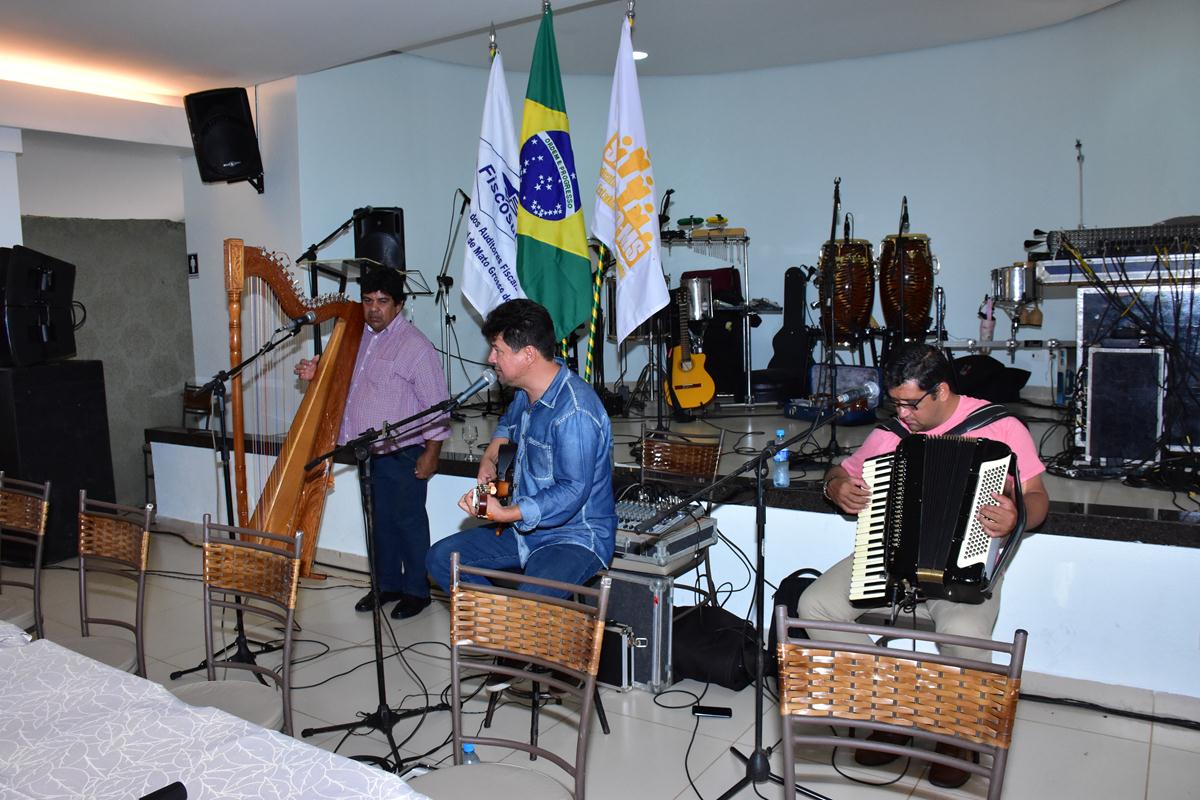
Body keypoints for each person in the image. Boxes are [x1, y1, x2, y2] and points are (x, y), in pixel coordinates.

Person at [799, 343, 1049, 789]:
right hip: (889, 556)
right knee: (814, 605)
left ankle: (959, 734)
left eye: (911, 403)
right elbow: (840, 471)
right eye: (895, 403)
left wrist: (1018, 517)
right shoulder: (891, 434)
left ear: (942, 391)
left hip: (967, 563)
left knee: (965, 633)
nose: (902, 413)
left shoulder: (1000, 426)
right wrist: (835, 488)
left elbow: (1038, 497)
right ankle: (890, 711)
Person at [426, 299, 616, 600]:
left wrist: (507, 513)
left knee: (529, 604)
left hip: (573, 538)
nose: (491, 358)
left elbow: (572, 490)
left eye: (498, 350)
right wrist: (491, 455)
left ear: (528, 354)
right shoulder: (526, 393)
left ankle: (512, 624)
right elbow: (508, 424)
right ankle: (500, 625)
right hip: (524, 531)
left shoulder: (574, 412)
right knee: (441, 559)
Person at [295, 268, 448, 619]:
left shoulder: (416, 347)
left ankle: (417, 592)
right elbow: (343, 380)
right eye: (367, 301)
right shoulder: (355, 337)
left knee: (408, 522)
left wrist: (432, 453)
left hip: (404, 452)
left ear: (399, 305)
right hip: (367, 452)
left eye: (382, 301)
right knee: (378, 523)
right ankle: (386, 585)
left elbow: (437, 406)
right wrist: (315, 374)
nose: (374, 308)